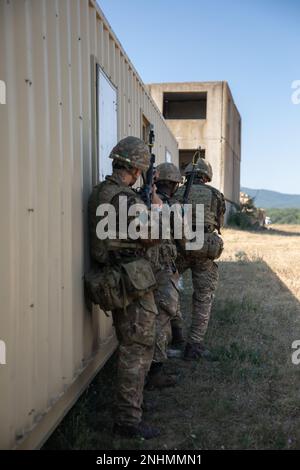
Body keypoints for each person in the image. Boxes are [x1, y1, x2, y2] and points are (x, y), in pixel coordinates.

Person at [88, 136, 163, 439]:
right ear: (136, 168)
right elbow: (152, 236)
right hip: (129, 280)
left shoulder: (101, 192)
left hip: (113, 276)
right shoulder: (127, 199)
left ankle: (132, 409)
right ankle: (128, 421)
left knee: (131, 346)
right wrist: (154, 206)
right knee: (137, 348)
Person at [175, 158, 226, 360]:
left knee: (169, 290)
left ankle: (175, 333)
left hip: (180, 246)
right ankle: (194, 345)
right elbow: (219, 223)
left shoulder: (176, 193)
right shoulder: (215, 195)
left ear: (187, 175)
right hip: (203, 248)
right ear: (206, 177)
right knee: (203, 297)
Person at [145, 162, 183, 388]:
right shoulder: (169, 206)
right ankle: (155, 371)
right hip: (160, 268)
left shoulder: (142, 199)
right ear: (173, 183)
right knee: (162, 315)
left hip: (141, 268)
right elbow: (183, 236)